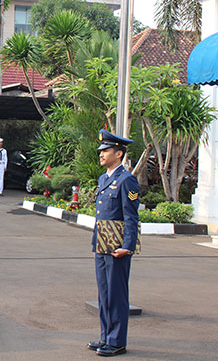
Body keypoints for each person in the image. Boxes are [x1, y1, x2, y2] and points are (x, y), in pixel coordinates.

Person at [88, 129, 140, 357]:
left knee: (117, 294)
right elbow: (101, 216)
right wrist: (95, 245)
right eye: (101, 150)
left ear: (118, 154)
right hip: (103, 244)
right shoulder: (104, 178)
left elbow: (131, 216)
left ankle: (117, 341)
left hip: (118, 246)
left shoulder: (127, 180)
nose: (101, 154)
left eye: (105, 151)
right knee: (104, 293)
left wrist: (128, 246)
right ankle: (105, 336)